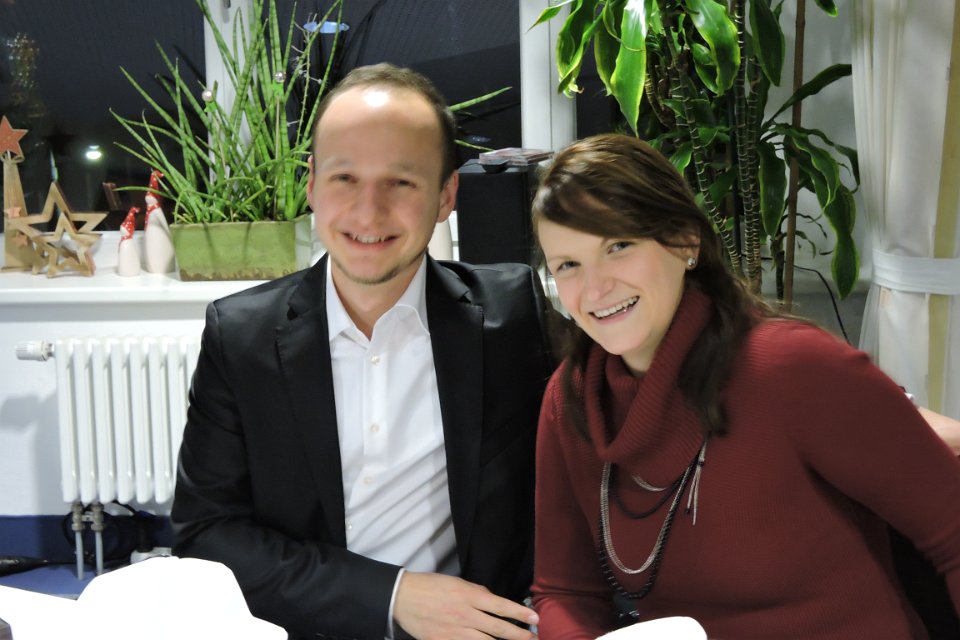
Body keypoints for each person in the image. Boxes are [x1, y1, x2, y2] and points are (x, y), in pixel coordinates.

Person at [171, 63, 557, 640]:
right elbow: (205, 535)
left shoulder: (513, 314)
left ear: (446, 194)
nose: (368, 212)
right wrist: (392, 596)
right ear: (311, 185)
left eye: (401, 182)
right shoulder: (240, 336)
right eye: (345, 177)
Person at [529, 133, 960, 639]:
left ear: (685, 241)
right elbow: (565, 591)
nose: (595, 287)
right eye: (568, 265)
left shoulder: (793, 368)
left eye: (618, 246)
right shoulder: (572, 399)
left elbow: (952, 532)